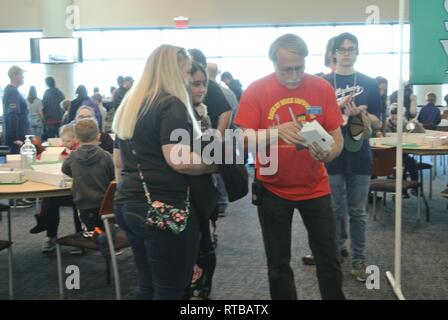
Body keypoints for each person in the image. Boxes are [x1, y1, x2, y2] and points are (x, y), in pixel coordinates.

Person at [234, 33, 345, 300]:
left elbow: (337, 139)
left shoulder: (321, 88)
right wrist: (277, 131)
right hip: (273, 190)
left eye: (299, 68)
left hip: (315, 187)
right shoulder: (256, 90)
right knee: (278, 263)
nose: (294, 76)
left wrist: (328, 153)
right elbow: (242, 144)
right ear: (274, 64)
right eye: (287, 70)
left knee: (328, 259)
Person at [112, 44, 216, 300]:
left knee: (147, 285)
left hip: (128, 203)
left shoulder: (131, 105)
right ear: (175, 70)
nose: (190, 77)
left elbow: (118, 161)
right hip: (165, 209)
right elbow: (178, 159)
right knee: (172, 289)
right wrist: (214, 163)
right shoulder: (171, 104)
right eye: (188, 70)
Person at [322, 32, 382, 282]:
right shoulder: (323, 84)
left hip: (360, 155)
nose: (347, 53)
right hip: (332, 153)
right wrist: (335, 109)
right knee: (335, 209)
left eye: (351, 48)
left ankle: (359, 258)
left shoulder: (368, 83)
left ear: (357, 52)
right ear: (333, 53)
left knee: (357, 210)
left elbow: (378, 122)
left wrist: (361, 115)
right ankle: (336, 252)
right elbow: (313, 119)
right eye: (342, 49)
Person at [187, 61, 220, 300]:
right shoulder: (175, 113)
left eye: (204, 84)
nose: (201, 89)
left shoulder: (202, 112)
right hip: (183, 196)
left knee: (205, 249)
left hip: (203, 195)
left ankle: (202, 293)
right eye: (195, 84)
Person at [188, 49, 232, 217]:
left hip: (204, 142)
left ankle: (219, 203)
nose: (201, 89)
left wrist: (217, 137)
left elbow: (226, 110)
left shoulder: (209, 87)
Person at [62, 118, 114, 233]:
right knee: (105, 229)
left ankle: (95, 238)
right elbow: (112, 176)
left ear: (77, 138)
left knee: (89, 231)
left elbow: (64, 169)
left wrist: (77, 174)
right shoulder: (106, 156)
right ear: (98, 136)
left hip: (83, 203)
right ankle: (106, 241)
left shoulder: (72, 157)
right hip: (104, 203)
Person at [2, 65, 33, 209]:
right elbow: (11, 115)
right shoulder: (12, 92)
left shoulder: (14, 91)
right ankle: (16, 199)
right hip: (17, 139)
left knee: (21, 167)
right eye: (22, 74)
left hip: (21, 138)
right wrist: (15, 138)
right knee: (16, 168)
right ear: (16, 76)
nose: (24, 77)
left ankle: (21, 197)